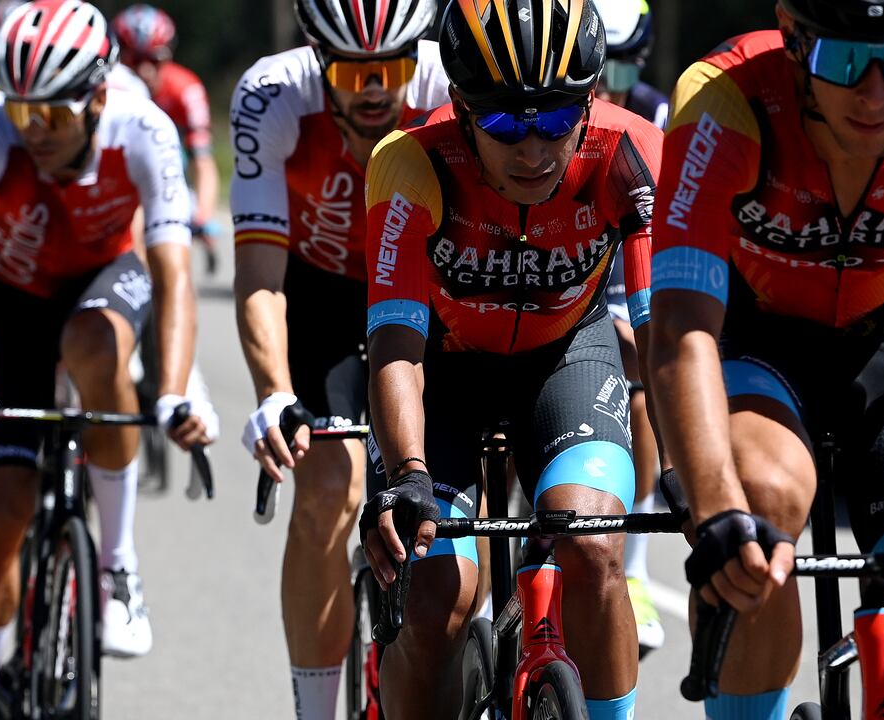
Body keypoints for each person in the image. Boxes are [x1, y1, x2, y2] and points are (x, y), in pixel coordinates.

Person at [647, 1, 884, 717]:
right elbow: (680, 323)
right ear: (795, 40)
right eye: (845, 59)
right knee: (761, 507)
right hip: (761, 348)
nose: (875, 93)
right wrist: (713, 507)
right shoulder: (725, 100)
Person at [358, 1, 661, 717]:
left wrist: (682, 473)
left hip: (566, 357)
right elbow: (397, 346)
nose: (533, 150)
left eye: (556, 118)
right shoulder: (410, 161)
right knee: (437, 600)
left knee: (591, 546)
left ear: (591, 99)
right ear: (460, 108)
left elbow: (662, 337)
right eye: (502, 122)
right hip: (447, 372)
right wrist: (408, 474)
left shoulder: (632, 151)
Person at [0, 3, 214, 717]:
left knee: (94, 345)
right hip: (12, 296)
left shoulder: (143, 125)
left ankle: (119, 566)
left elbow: (174, 272)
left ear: (95, 97)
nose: (35, 134)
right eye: (23, 113)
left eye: (52, 117)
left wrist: (176, 389)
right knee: (0, 513)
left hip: (104, 278)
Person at [229, 0, 445, 716]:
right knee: (327, 487)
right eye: (355, 72)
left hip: (428, 291)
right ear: (320, 60)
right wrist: (272, 391)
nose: (377, 89)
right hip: (319, 292)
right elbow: (261, 272)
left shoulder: (451, 86)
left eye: (392, 68)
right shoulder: (271, 95)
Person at [596, 0, 669, 659]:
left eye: (622, 71)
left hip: (631, 265)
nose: (606, 89)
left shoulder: (659, 114)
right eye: (599, 68)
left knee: (645, 378)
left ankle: (639, 570)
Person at [113, 4, 220, 271]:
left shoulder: (185, 89)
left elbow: (203, 161)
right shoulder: (111, 87)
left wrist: (202, 214)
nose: (145, 70)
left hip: (172, 174)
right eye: (135, 60)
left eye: (155, 59)